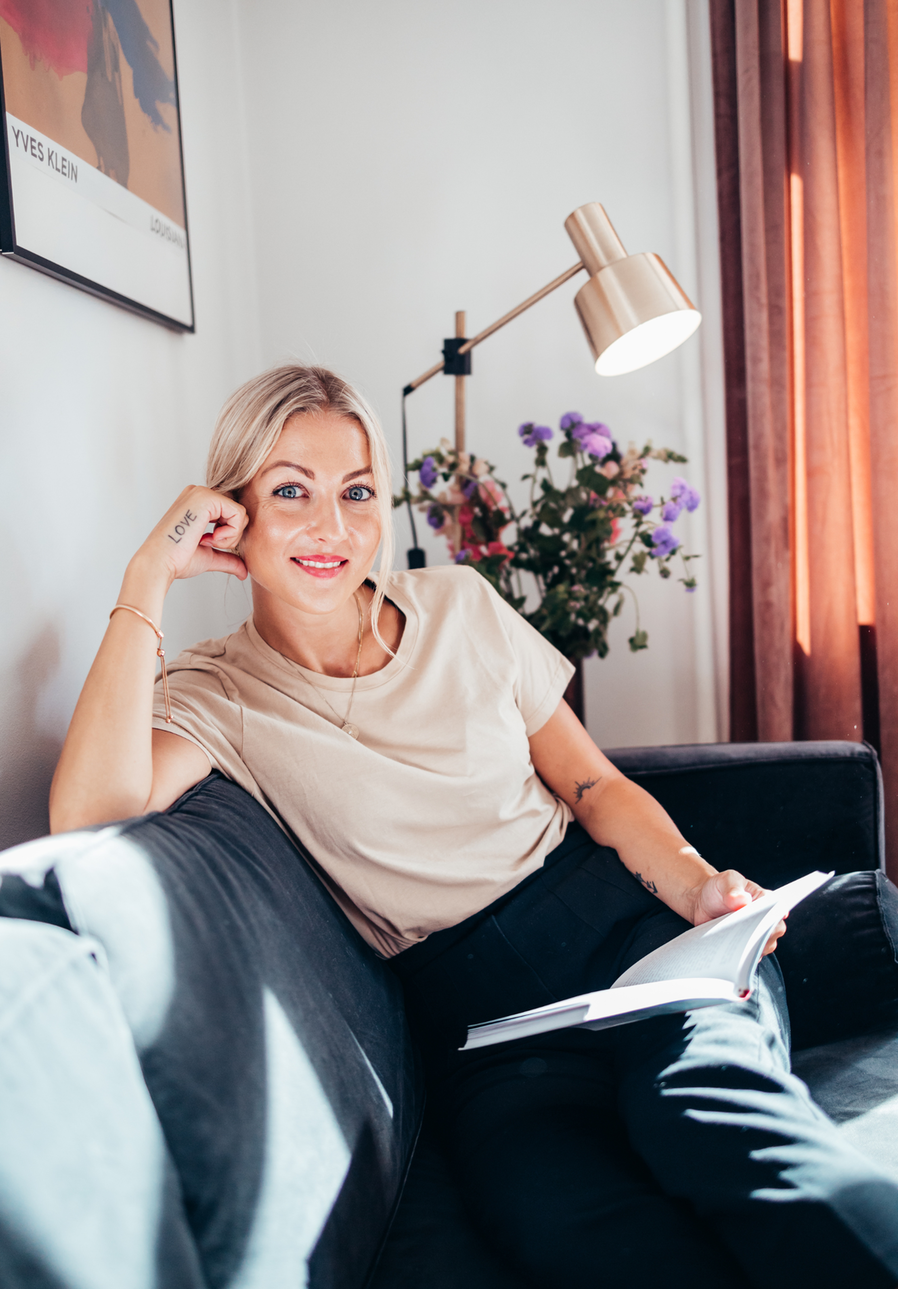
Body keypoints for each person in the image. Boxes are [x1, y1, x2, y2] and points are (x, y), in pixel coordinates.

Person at [51, 365, 898, 1288]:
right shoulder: (216, 692)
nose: (333, 527)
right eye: (290, 491)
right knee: (573, 1227)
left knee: (719, 1123)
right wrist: (148, 577)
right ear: (231, 514)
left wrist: (698, 885)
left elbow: (593, 786)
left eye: (358, 491)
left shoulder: (457, 604)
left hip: (641, 945)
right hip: (486, 1036)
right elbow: (89, 813)